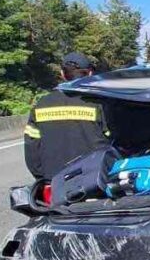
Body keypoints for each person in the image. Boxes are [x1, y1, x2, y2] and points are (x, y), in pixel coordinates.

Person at [24, 52, 110, 181]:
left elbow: (31, 146)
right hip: (94, 178)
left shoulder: (41, 104)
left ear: (62, 74)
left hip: (54, 181)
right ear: (90, 73)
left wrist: (42, 177)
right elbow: (115, 140)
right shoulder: (99, 103)